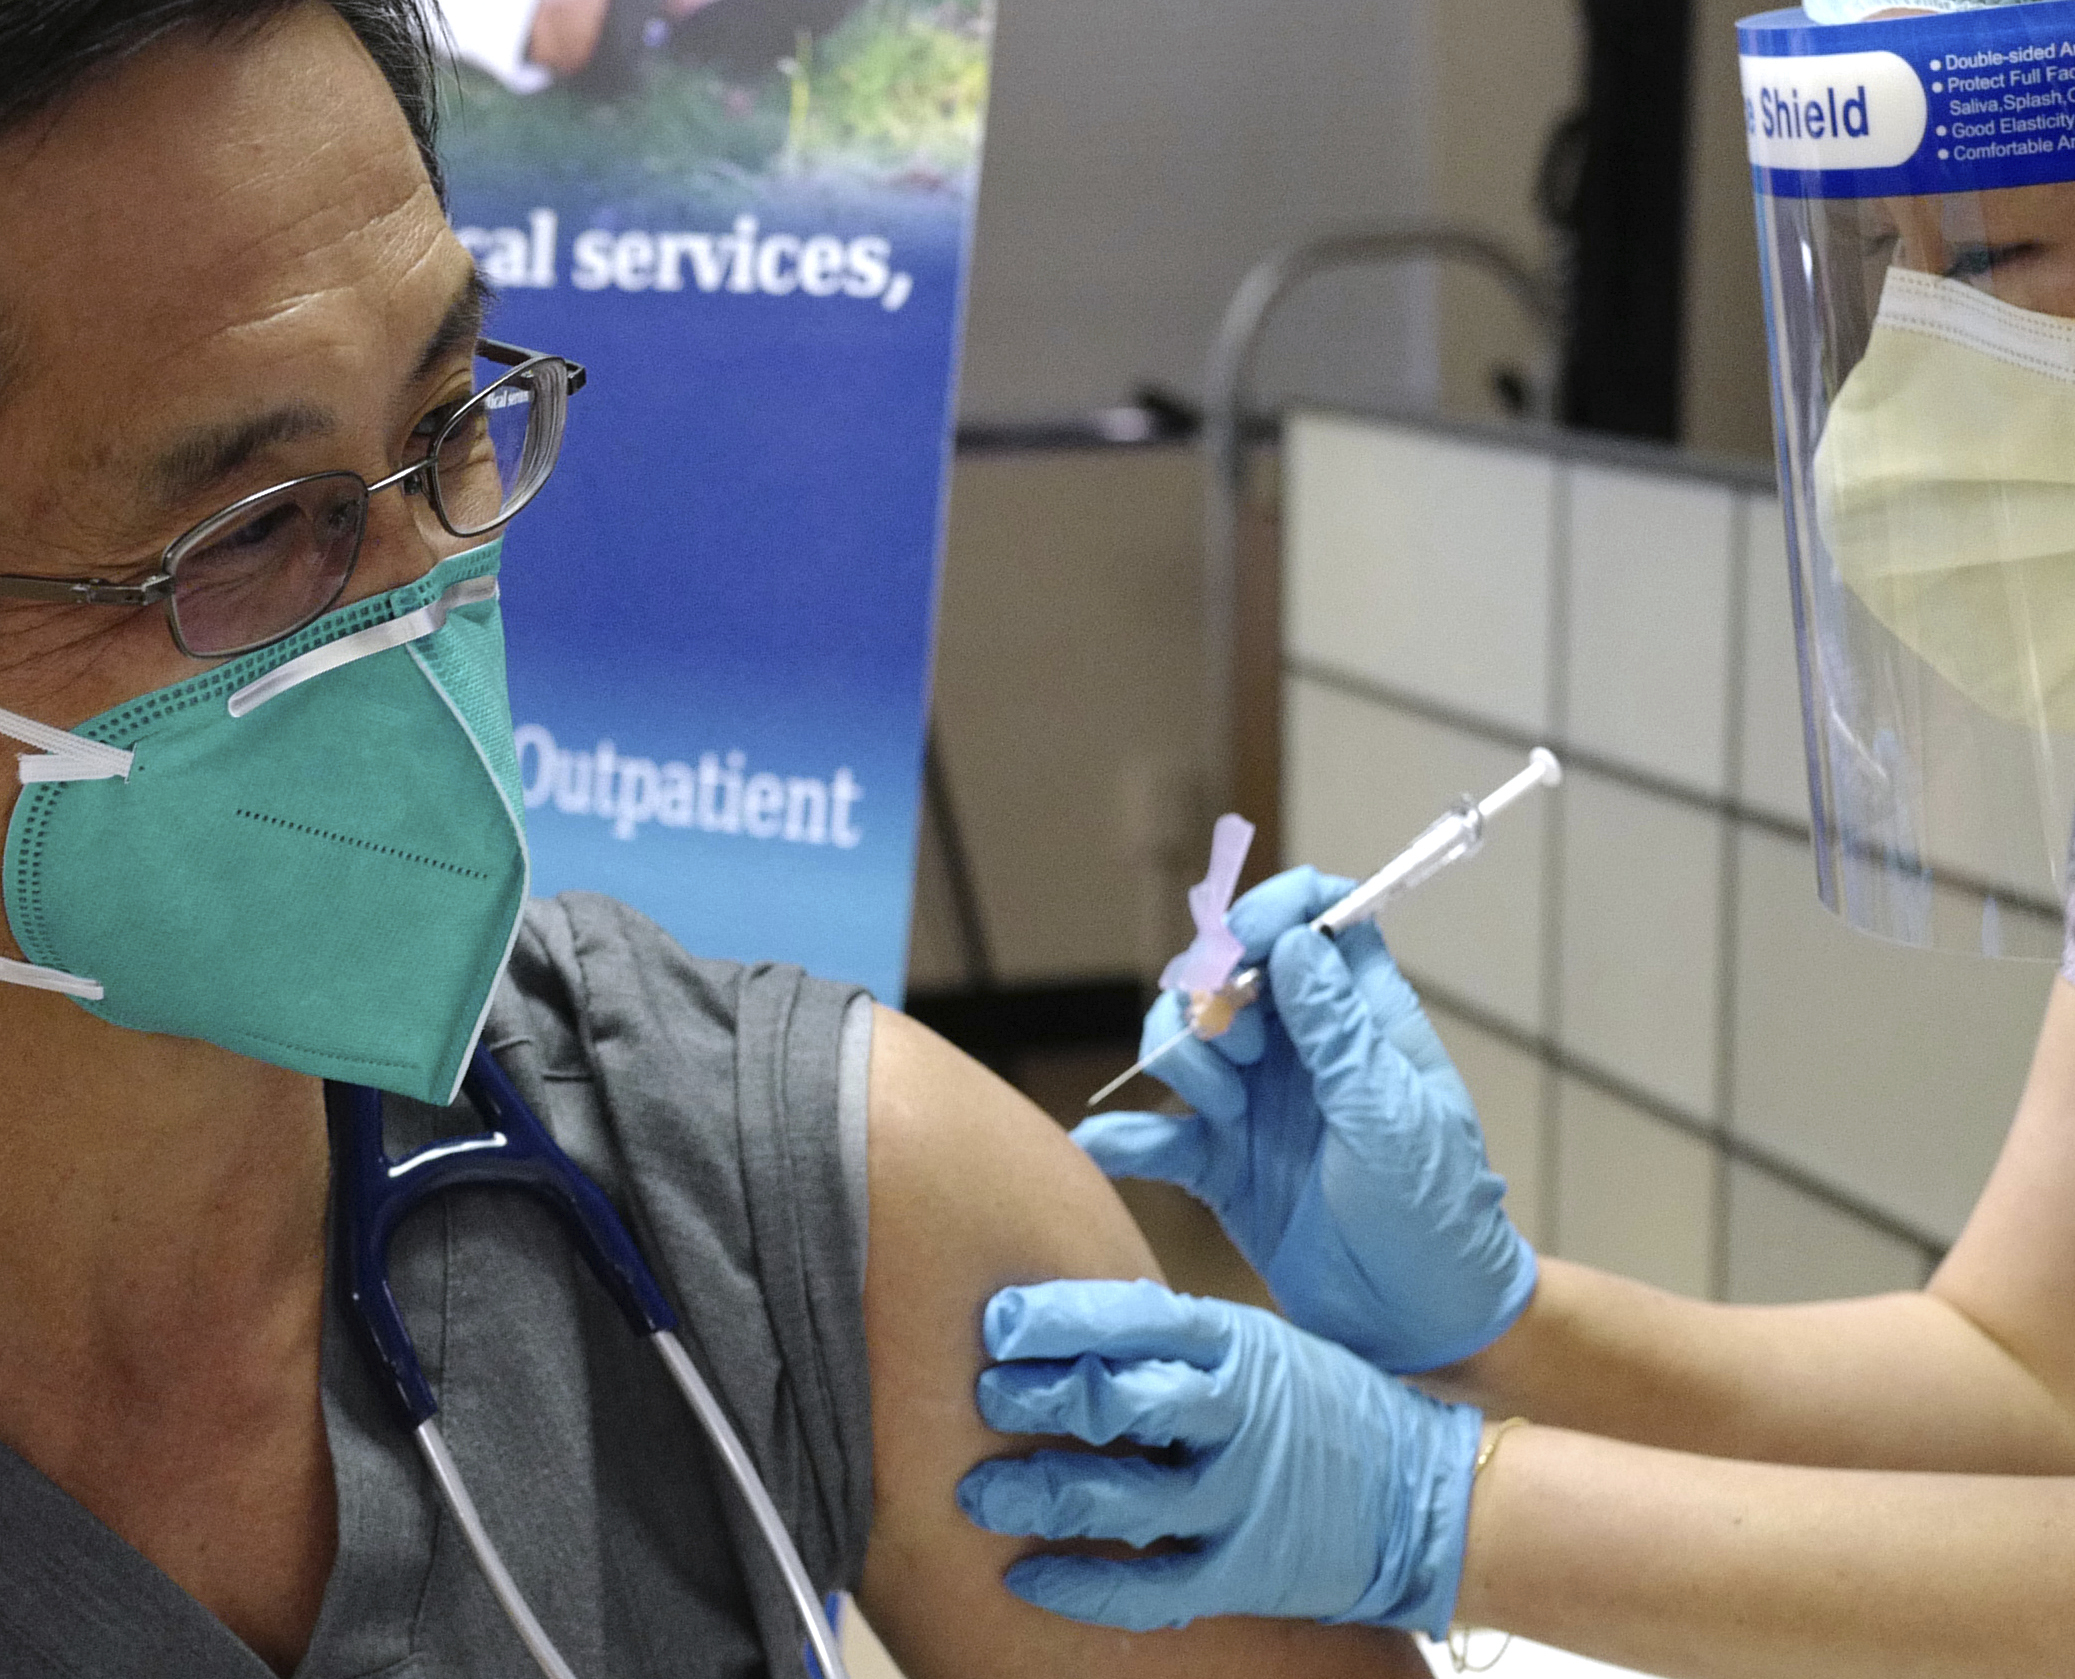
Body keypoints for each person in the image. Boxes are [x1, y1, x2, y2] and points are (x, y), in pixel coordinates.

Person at [960, 3, 2075, 1673]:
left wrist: (1435, 1515)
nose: (1907, 386)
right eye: (1888, 266)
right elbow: (2049, 1389)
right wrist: (1500, 1326)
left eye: (1995, 260)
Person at [0, 5, 1435, 1676]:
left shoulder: (790, 1187)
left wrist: (1482, 1427)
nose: (420, 607)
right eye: (257, 532)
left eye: (447, 418)